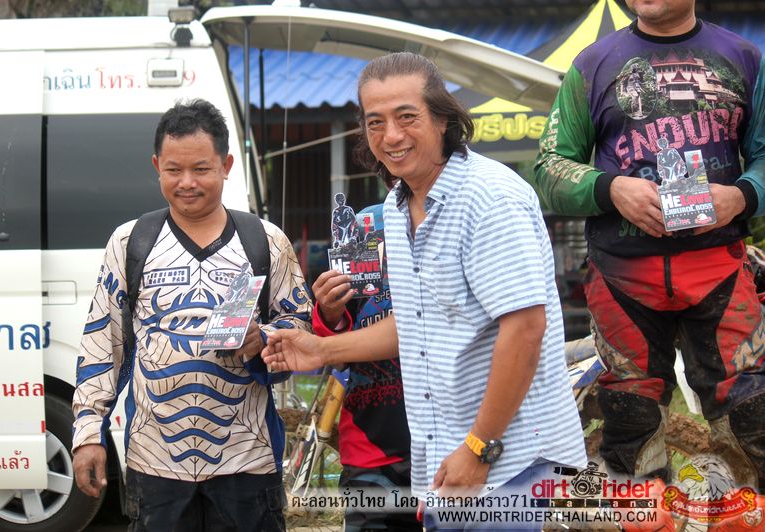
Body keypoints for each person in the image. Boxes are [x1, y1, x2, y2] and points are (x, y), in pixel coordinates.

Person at [262, 52, 586, 530]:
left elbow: (525, 330)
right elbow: (420, 323)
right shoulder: (398, 207)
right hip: (445, 456)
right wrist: (321, 348)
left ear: (442, 119)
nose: (391, 136)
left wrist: (479, 446)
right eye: (375, 122)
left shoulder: (489, 197)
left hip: (508, 460)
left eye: (407, 116)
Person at [534, 0, 765, 489]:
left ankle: (744, 514)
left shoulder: (744, 57)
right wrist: (610, 188)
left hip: (719, 270)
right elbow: (549, 168)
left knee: (752, 415)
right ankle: (645, 517)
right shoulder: (591, 64)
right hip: (623, 278)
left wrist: (741, 196)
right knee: (630, 419)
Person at [71, 99, 312, 531]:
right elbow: (101, 343)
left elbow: (300, 324)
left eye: (201, 169)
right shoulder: (129, 243)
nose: (187, 182)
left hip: (247, 460)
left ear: (226, 165)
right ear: (156, 166)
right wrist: (88, 432)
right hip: (153, 462)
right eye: (173, 170)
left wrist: (265, 338)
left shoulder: (266, 241)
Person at [313, 203, 420, 531]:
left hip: (455, 442)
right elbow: (335, 350)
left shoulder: (464, 217)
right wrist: (329, 309)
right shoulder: (364, 225)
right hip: (373, 445)